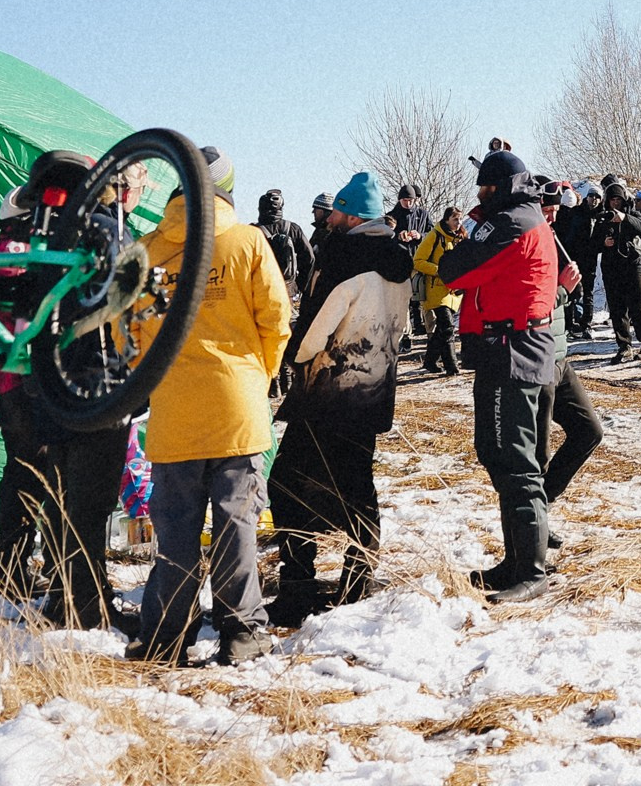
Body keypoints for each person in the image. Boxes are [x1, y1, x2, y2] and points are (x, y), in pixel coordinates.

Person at [134, 147, 290, 665]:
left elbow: (127, 329)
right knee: (237, 523)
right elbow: (276, 321)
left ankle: (166, 638)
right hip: (238, 409)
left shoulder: (148, 250)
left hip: (174, 411)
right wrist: (256, 378)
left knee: (176, 528)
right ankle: (242, 634)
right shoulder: (248, 241)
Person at [0, 153, 150, 630]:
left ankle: (60, 591)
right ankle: (83, 602)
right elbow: (128, 307)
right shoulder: (109, 233)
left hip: (43, 382)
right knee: (88, 500)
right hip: (96, 383)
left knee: (53, 488)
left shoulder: (44, 236)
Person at [270, 171, 412, 626]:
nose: (328, 216)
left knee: (287, 483)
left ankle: (297, 587)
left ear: (351, 214)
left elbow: (315, 335)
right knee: (355, 484)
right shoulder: (397, 263)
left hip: (327, 393)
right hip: (372, 393)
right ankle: (358, 578)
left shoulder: (347, 258)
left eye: (335, 210)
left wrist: (291, 356)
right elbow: (399, 330)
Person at [427, 148, 562, 602]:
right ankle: (517, 559)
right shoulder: (514, 217)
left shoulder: (512, 223)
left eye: (484, 189)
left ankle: (532, 569)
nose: (478, 195)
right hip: (504, 347)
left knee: (515, 458)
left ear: (498, 189)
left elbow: (454, 270)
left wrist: (477, 227)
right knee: (495, 450)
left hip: (514, 350)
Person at [537, 187, 602, 548]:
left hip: (562, 357)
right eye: (548, 209)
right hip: (539, 358)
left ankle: (541, 503)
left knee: (589, 431)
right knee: (538, 453)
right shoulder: (529, 240)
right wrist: (563, 290)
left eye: (555, 210)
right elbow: (533, 302)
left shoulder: (552, 236)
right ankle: (531, 525)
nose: (553, 216)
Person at [594, 176, 641, 360]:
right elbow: (590, 244)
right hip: (611, 267)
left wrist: (624, 218)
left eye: (618, 199)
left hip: (633, 265)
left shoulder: (633, 213)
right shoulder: (603, 217)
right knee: (617, 308)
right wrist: (603, 242)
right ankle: (624, 345)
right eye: (612, 200)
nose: (615, 203)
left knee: (637, 306)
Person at [411, 208, 465, 374]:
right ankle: (452, 367)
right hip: (436, 290)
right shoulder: (434, 235)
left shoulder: (461, 237)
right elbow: (418, 261)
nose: (458, 223)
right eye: (455, 219)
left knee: (442, 328)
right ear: (446, 219)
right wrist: (440, 271)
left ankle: (430, 361)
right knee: (447, 326)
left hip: (454, 290)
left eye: (460, 219)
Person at [388, 185, 433, 343]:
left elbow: (432, 233)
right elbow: (384, 239)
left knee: (421, 294)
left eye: (411, 200)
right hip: (399, 261)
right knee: (403, 297)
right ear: (400, 199)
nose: (408, 203)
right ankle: (405, 335)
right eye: (405, 200)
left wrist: (420, 235)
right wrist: (397, 237)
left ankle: (423, 328)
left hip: (419, 259)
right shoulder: (391, 216)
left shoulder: (422, 214)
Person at [256, 189, 314, 301]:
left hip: (262, 290)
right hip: (289, 291)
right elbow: (309, 258)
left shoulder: (253, 231)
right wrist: (300, 287)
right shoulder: (293, 229)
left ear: (260, 209)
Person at [560, 181, 600, 340]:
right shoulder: (576, 213)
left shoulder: (601, 215)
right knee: (572, 292)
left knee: (588, 293)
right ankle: (570, 325)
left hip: (589, 260)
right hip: (575, 258)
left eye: (597, 197)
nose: (594, 199)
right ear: (586, 197)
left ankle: (586, 324)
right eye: (591, 196)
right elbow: (568, 235)